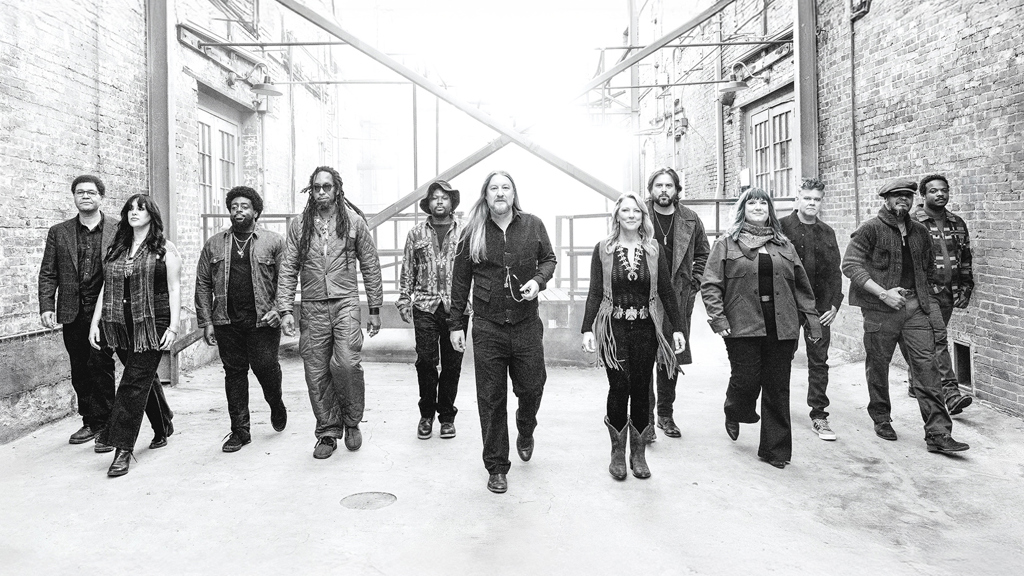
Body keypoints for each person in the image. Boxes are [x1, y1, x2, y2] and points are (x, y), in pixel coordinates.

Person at [841, 178, 969, 454]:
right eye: (897, 195)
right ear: (886, 199)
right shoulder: (870, 229)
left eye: (908, 196)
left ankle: (938, 434)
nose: (903, 200)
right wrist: (882, 293)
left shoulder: (920, 231)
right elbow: (850, 265)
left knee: (927, 368)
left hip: (915, 309)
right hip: (879, 310)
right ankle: (881, 418)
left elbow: (928, 270)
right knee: (878, 366)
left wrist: (927, 302)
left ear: (913, 200)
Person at [449, 170, 556, 494]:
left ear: (513, 193)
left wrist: (537, 281)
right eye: (493, 188)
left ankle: (526, 427)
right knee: (491, 398)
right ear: (486, 195)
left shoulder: (533, 225)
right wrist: (456, 324)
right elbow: (460, 281)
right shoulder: (473, 231)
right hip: (487, 327)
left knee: (532, 386)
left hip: (525, 324)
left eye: (505, 187)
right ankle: (496, 466)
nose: (499, 193)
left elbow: (548, 259)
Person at [701, 187, 821, 469]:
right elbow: (711, 284)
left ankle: (775, 450)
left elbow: (801, 286)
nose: (758, 207)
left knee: (778, 387)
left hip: (782, 323)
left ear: (770, 210)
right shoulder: (726, 243)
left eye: (763, 203)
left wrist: (812, 321)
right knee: (746, 378)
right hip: (742, 322)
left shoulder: (784, 245)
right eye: (752, 202)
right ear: (742, 209)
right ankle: (735, 408)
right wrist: (718, 319)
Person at [277, 166, 383, 460]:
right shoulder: (300, 225)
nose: (321, 191)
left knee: (347, 363)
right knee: (316, 369)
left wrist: (374, 308)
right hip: (312, 305)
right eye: (316, 187)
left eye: (327, 186)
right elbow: (288, 267)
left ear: (337, 189)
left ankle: (351, 420)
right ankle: (327, 430)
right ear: (311, 191)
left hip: (345, 301)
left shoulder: (353, 221)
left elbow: (370, 265)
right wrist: (285, 308)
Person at [581, 192, 686, 480]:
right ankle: (617, 453)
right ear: (617, 215)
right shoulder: (603, 249)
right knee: (618, 387)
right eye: (625, 210)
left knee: (640, 389)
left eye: (636, 211)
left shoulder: (653, 250)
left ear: (643, 216)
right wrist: (587, 328)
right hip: (613, 329)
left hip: (645, 328)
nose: (630, 215)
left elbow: (666, 291)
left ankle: (638, 455)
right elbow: (594, 292)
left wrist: (678, 328)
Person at [88, 194, 181, 477]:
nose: (134, 212)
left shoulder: (164, 249)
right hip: (119, 322)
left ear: (152, 214)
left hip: (153, 322)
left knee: (132, 384)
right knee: (141, 377)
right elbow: (106, 287)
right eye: (130, 208)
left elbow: (174, 289)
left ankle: (121, 448)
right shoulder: (117, 248)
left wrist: (173, 327)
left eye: (141, 208)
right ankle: (163, 424)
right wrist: (96, 322)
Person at [195, 186, 287, 453]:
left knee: (266, 367)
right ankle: (240, 431)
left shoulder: (273, 241)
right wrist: (207, 321)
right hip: (227, 322)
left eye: (244, 206)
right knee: (234, 374)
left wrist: (279, 310)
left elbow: (286, 280)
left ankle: (276, 403)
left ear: (255, 212)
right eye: (234, 206)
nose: (238, 210)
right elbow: (203, 283)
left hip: (263, 321)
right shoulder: (214, 244)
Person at [38, 175, 118, 446]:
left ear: (101, 198)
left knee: (102, 365)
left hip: (106, 311)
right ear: (73, 197)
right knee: (80, 369)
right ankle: (90, 421)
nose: (85, 196)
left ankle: (106, 423)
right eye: (80, 192)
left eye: (91, 192)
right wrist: (47, 306)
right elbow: (48, 272)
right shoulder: (59, 232)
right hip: (72, 311)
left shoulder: (118, 229)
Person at [397, 180, 469, 440]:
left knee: (452, 364)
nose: (439, 201)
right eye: (435, 197)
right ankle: (426, 415)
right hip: (425, 306)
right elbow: (408, 268)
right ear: (428, 203)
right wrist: (404, 299)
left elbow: (474, 268)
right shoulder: (416, 233)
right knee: (426, 362)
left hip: (456, 308)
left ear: (452, 202)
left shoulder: (465, 231)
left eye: (444, 197)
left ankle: (447, 417)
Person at [899, 174, 974, 414]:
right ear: (924, 195)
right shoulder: (912, 223)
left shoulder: (957, 222)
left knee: (930, 341)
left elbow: (965, 258)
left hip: (949, 293)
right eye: (933, 191)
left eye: (944, 190)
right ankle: (950, 393)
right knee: (937, 340)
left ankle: (915, 383)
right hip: (924, 293)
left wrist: (966, 287)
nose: (940, 194)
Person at [645, 168, 710, 440]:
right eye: (658, 185)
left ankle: (665, 415)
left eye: (669, 185)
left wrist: (693, 283)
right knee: (643, 358)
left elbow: (704, 254)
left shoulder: (690, 219)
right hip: (644, 295)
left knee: (670, 355)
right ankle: (646, 420)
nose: (664, 190)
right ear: (651, 189)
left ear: (676, 189)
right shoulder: (639, 214)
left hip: (678, 295)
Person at [780, 178, 844, 441]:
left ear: (821, 202)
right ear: (798, 198)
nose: (811, 203)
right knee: (781, 358)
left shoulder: (827, 232)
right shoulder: (781, 227)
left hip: (819, 308)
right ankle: (778, 410)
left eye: (816, 199)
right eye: (807, 198)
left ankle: (819, 415)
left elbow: (835, 272)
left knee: (819, 361)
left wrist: (834, 305)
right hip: (787, 305)